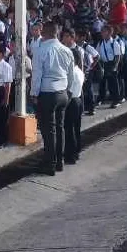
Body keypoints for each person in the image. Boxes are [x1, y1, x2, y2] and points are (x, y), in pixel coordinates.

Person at [31, 22, 74, 176]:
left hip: (48, 93)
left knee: (49, 131)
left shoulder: (41, 50)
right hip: (63, 91)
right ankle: (59, 161)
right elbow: (71, 74)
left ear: (44, 33)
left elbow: (37, 75)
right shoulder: (66, 50)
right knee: (59, 127)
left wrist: (34, 94)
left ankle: (50, 163)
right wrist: (68, 91)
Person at [65, 50, 85, 164]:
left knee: (70, 129)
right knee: (76, 129)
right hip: (78, 100)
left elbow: (69, 92)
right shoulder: (79, 71)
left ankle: (71, 155)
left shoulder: (72, 72)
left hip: (72, 101)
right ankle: (76, 151)